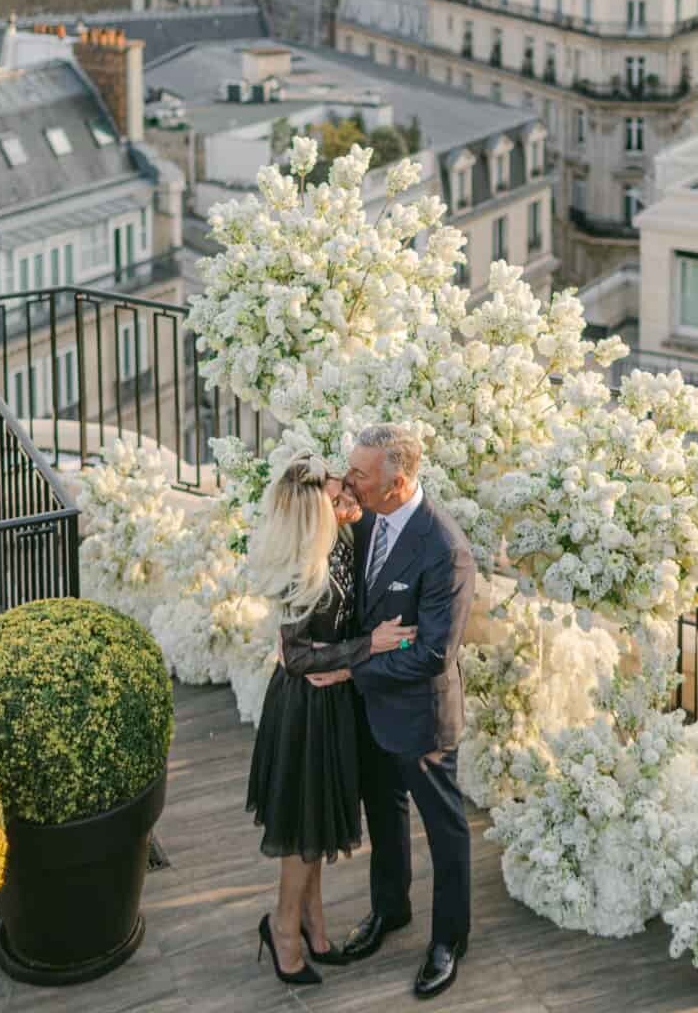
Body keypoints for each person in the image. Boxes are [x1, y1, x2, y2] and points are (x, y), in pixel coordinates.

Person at [310, 424, 476, 1000]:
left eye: (360, 473)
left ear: (398, 482)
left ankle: (449, 940)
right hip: (373, 711)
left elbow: (431, 652)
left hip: (420, 716)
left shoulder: (444, 549)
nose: (349, 479)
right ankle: (391, 911)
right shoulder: (370, 516)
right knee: (384, 814)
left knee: (444, 827)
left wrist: (352, 669)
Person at [245, 454, 417, 988]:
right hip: (304, 712)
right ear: (314, 516)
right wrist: (368, 647)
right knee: (300, 833)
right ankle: (283, 929)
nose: (349, 506)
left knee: (315, 823)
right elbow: (296, 658)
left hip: (333, 703)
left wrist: (344, 663)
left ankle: (313, 923)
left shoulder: (340, 542)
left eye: (347, 494)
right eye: (338, 501)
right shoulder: (302, 565)